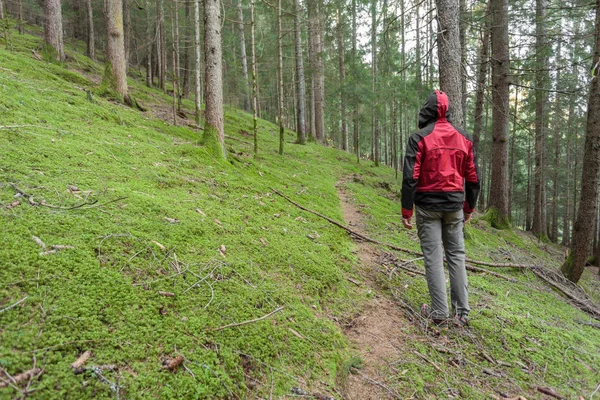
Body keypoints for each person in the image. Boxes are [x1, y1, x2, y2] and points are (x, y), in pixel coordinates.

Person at [401, 90, 480, 327]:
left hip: (427, 206)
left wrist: (406, 210)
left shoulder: (419, 138)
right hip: (454, 206)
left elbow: (409, 178)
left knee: (434, 257)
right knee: (456, 256)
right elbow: (473, 178)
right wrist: (468, 208)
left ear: (426, 111)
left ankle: (438, 313)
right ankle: (461, 314)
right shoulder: (464, 138)